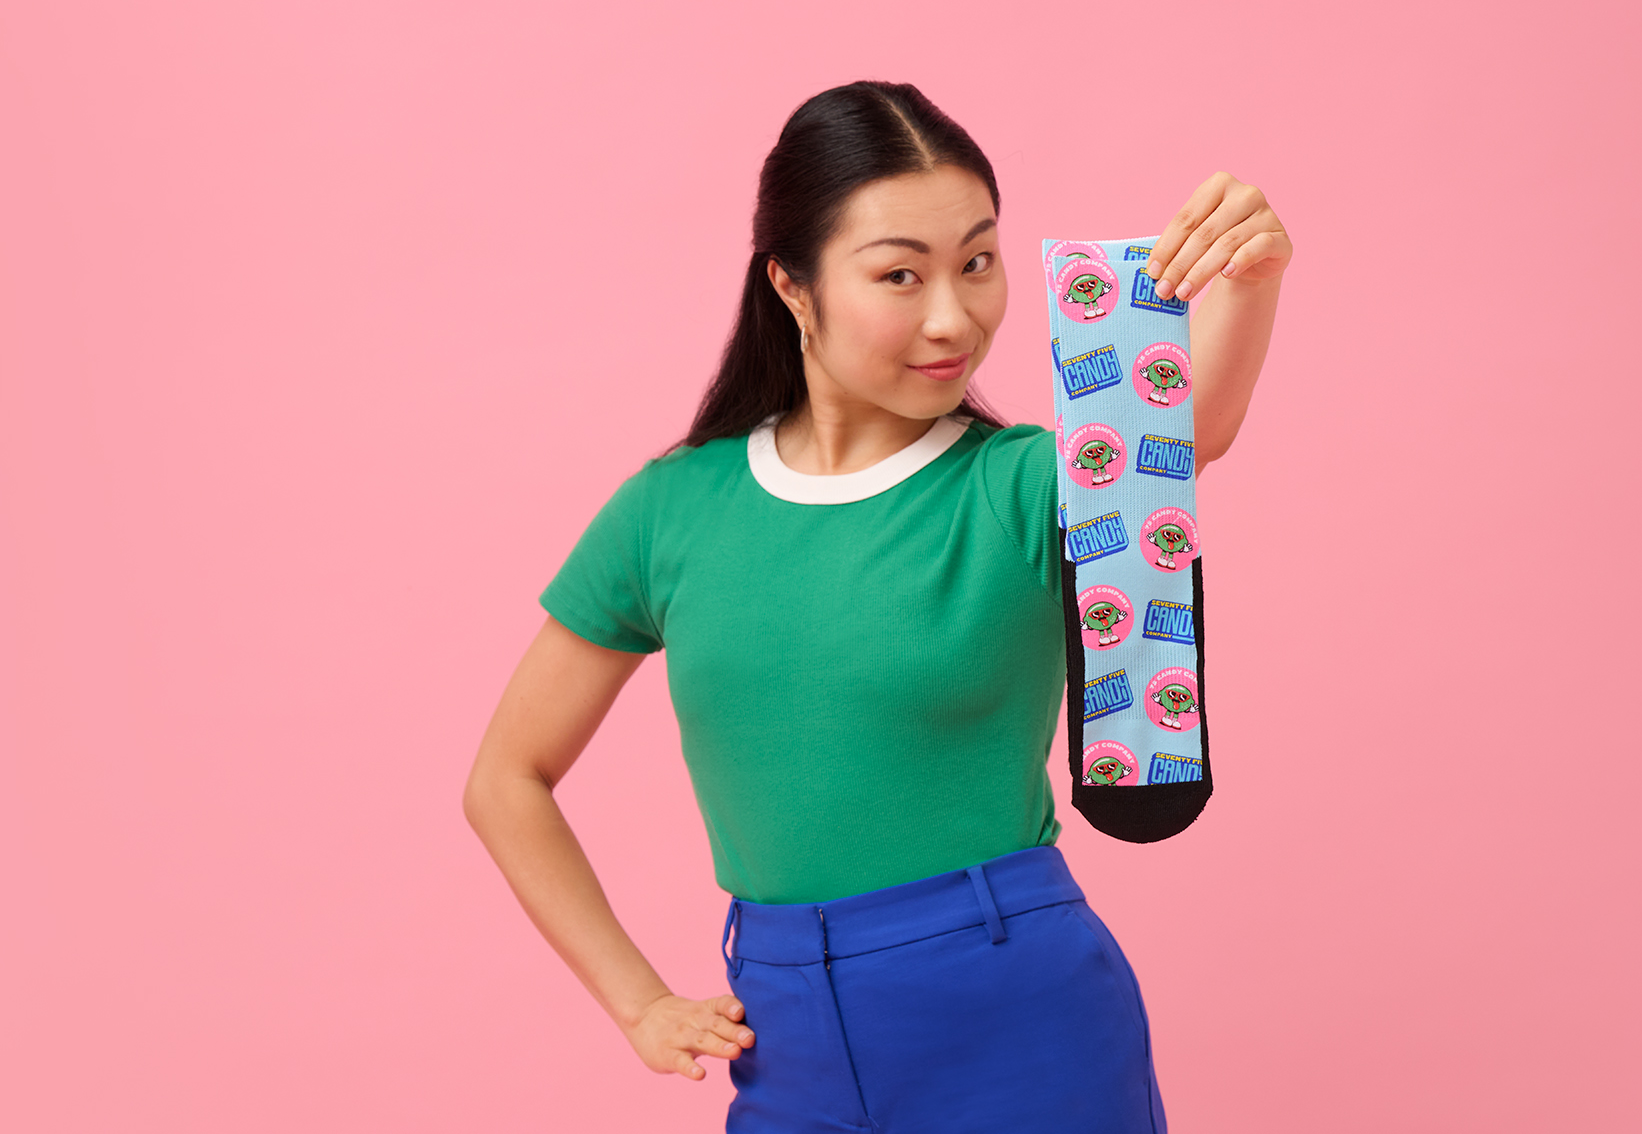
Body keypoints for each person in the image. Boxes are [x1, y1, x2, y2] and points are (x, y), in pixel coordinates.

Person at [464, 80, 1290, 1132]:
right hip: (788, 1040)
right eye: (901, 274)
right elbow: (506, 778)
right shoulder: (670, 509)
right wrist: (638, 1003)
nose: (953, 316)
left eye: (977, 263)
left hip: (1019, 1016)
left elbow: (1186, 437)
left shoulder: (1024, 482)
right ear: (792, 287)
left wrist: (1250, 286)